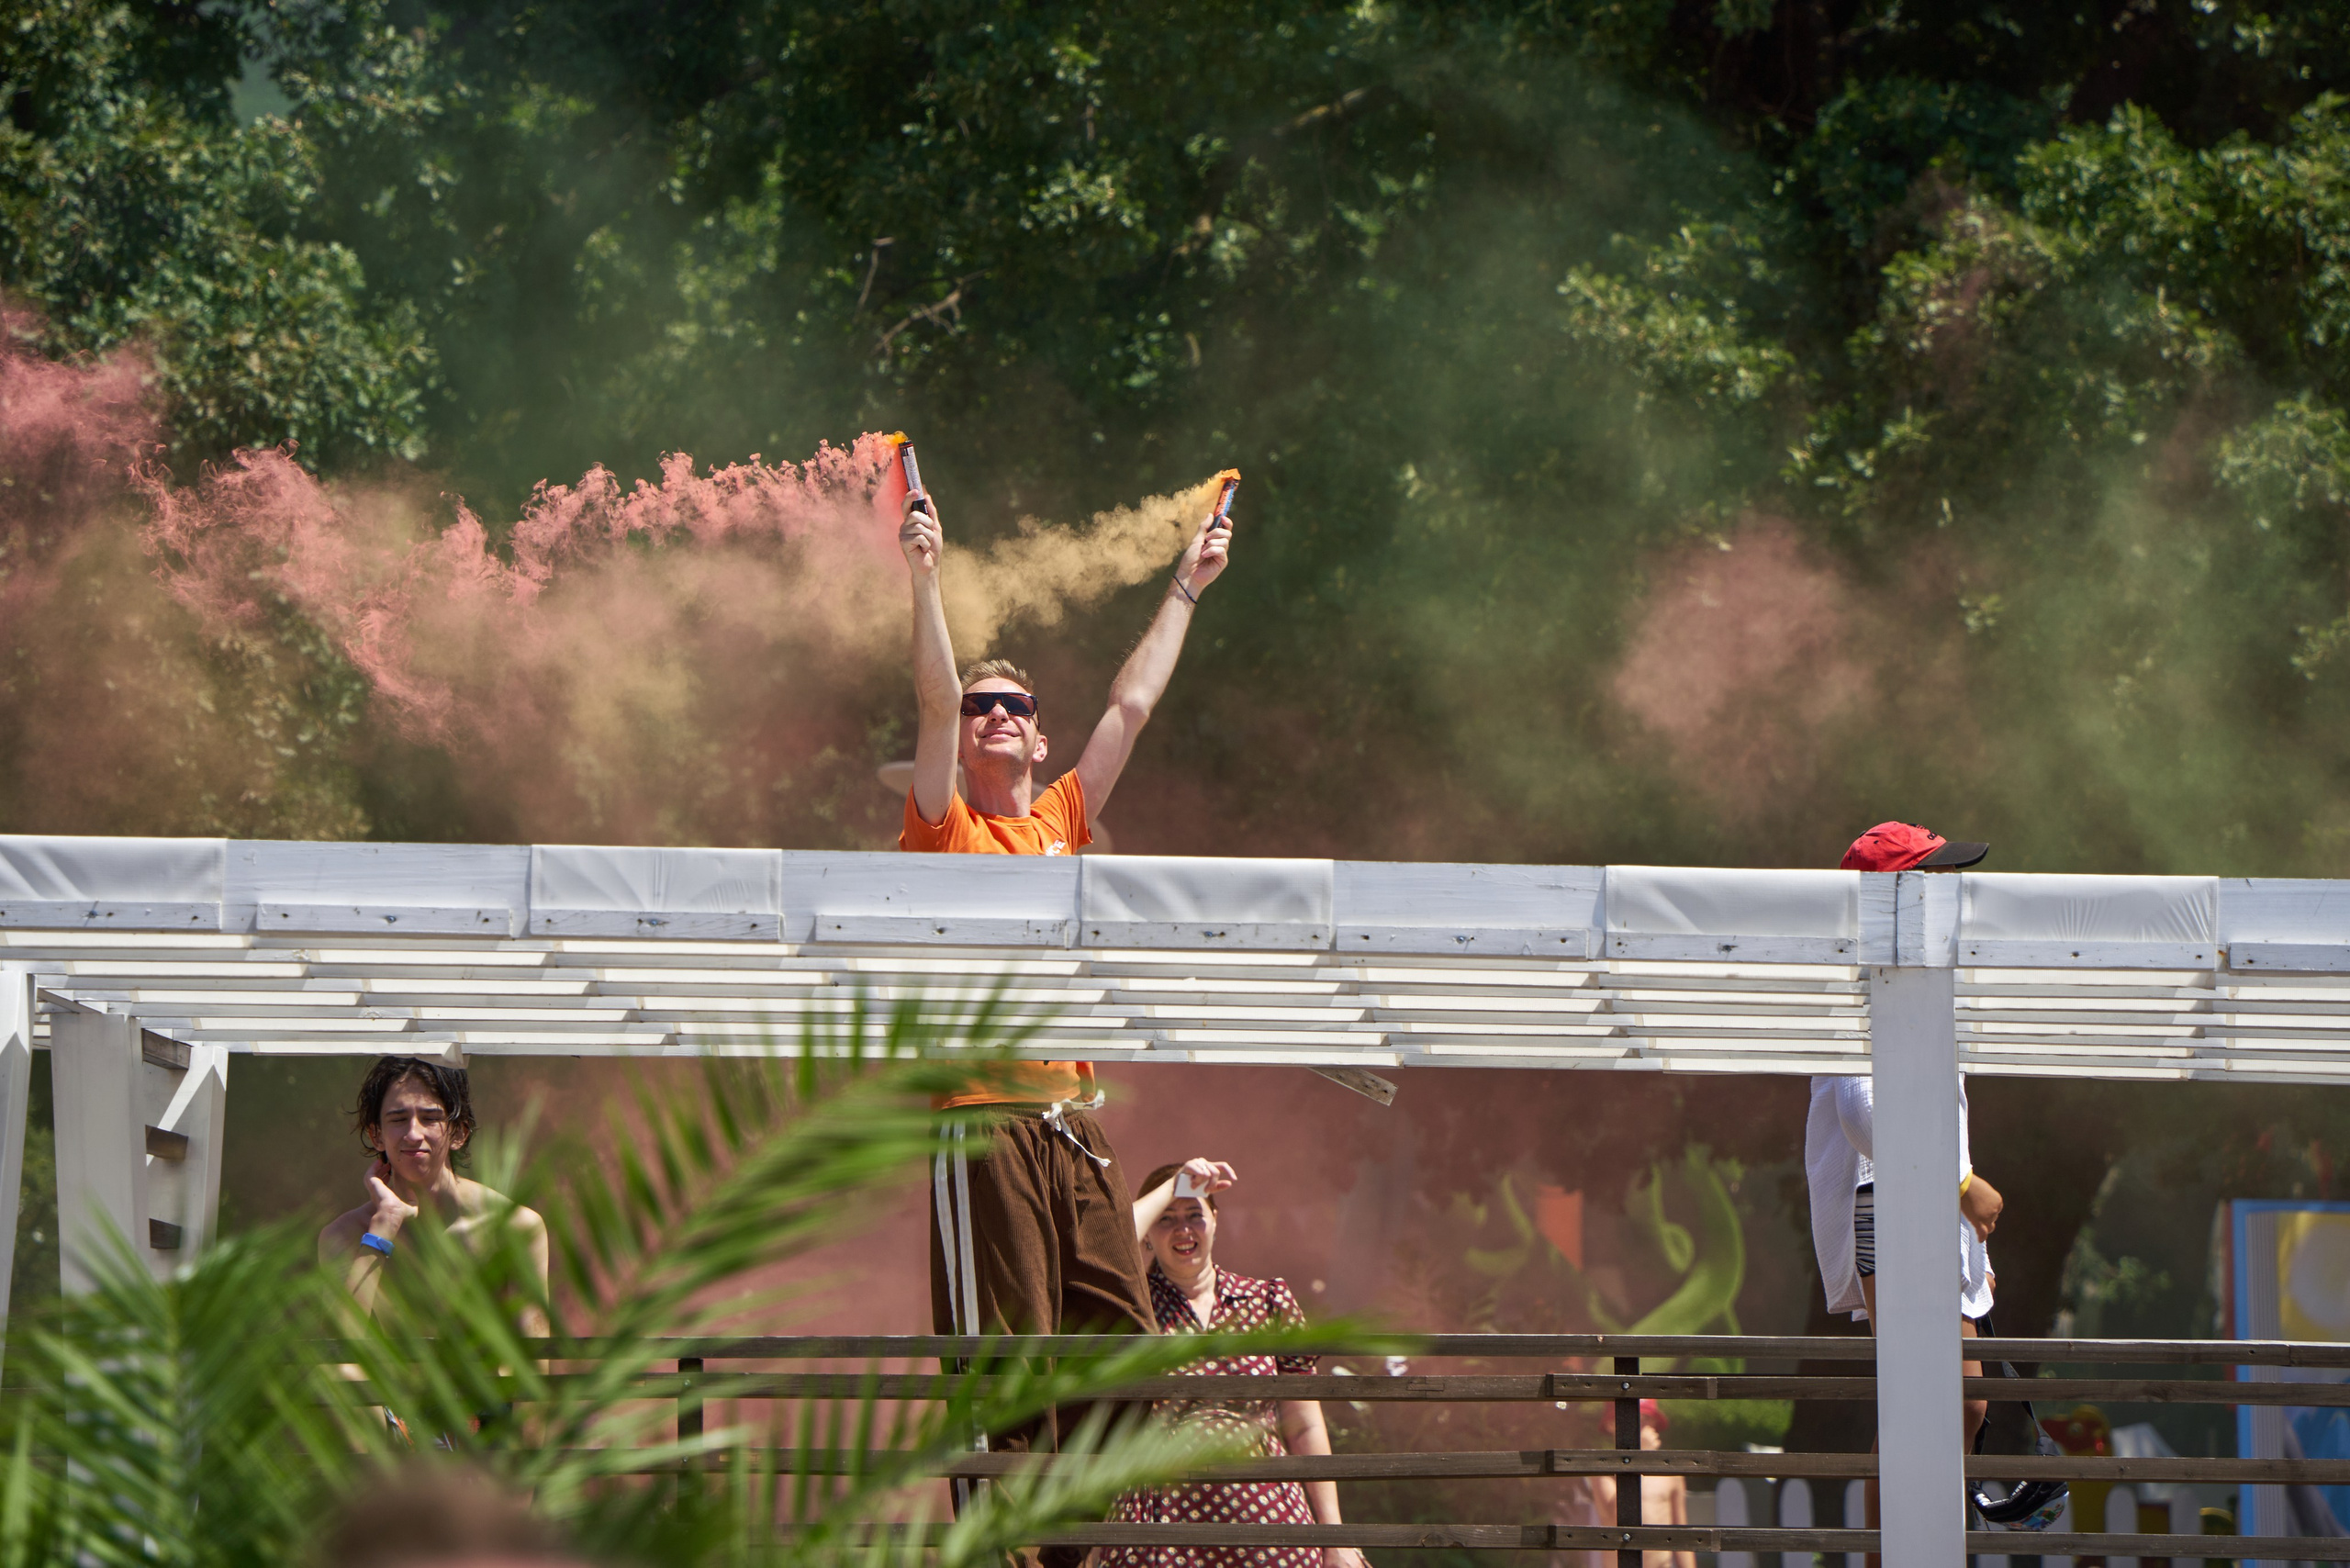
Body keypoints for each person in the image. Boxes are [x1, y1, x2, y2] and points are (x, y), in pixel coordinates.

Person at [896, 473, 1235, 1411]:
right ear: (962, 743)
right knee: (1009, 1361)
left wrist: (1187, 585)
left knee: (1120, 1343)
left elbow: (1129, 708)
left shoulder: (1060, 820)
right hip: (984, 1117)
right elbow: (929, 697)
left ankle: (1074, 1548)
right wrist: (925, 577)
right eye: (979, 708)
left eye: (1014, 706)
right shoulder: (944, 828)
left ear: (1040, 741)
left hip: (1072, 1125)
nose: (994, 713)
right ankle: (1016, 1551)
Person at [1809, 822, 2007, 1562]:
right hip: (1889, 1205)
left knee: (1955, 1403)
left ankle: (1912, 1551)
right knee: (1932, 1402)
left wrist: (1965, 1238)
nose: (1948, 889)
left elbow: (1932, 1115)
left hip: (1921, 1207)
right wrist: (1959, 1187)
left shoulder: (1915, 969)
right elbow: (1865, 1113)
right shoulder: (1864, 979)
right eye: (1931, 876)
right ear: (1891, 894)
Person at [1099, 1161, 1370, 1568]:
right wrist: (1174, 1186)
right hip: (1162, 1523)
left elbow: (1305, 1425)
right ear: (1149, 1235)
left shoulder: (1266, 1300)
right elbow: (1107, 1246)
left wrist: (1336, 1538)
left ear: (1215, 1220)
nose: (1183, 1229)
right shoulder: (1135, 1308)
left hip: (1267, 1521)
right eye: (1166, 1218)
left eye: (1195, 1214)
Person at [318, 1056, 550, 1337]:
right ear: (376, 1134)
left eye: (430, 1118)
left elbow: (534, 1358)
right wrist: (382, 1231)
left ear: (459, 1133)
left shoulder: (514, 1227)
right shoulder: (345, 1236)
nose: (414, 1134)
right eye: (398, 1119)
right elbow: (338, 1357)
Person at [1577, 1401, 1694, 1568]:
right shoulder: (1604, 1471)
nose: (1642, 1425)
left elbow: (1681, 1535)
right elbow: (1614, 1514)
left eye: (1646, 1418)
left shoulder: (1670, 1474)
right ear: (1611, 1425)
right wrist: (1639, 1461)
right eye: (1633, 1419)